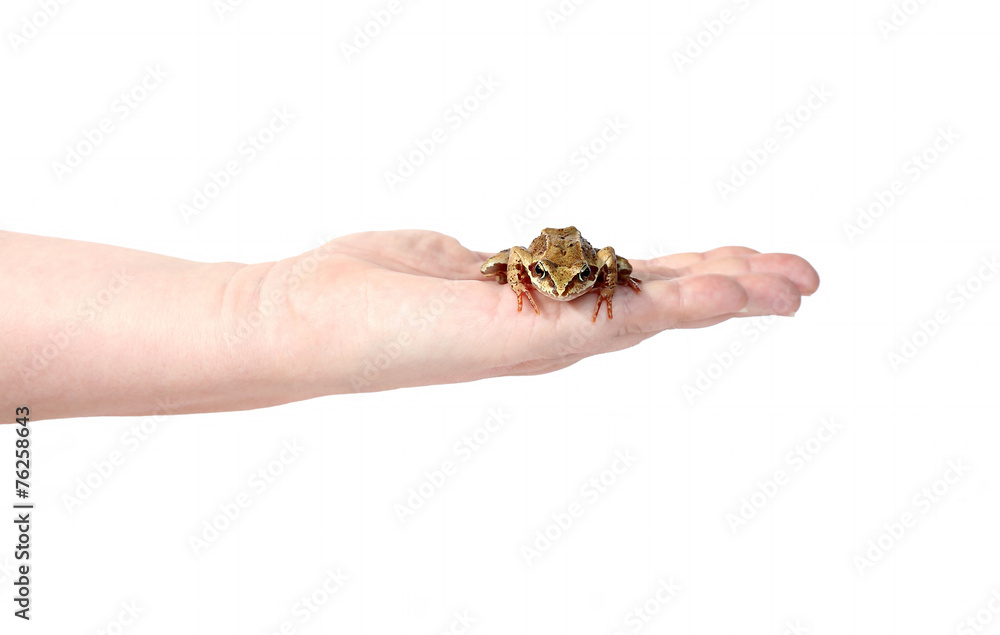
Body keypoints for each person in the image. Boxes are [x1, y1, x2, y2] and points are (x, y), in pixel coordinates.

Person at [0, 229, 819, 422]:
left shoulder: (584, 271)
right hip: (535, 249)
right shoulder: (536, 268)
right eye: (551, 283)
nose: (562, 290)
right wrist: (273, 310)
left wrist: (264, 311)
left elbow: (595, 260)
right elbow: (528, 259)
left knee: (613, 262)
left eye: (571, 284)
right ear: (539, 276)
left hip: (578, 247)